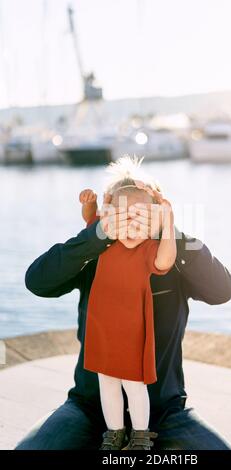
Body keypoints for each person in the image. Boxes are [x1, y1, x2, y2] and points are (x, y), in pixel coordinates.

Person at [15, 155, 231, 450]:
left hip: (165, 412)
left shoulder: (173, 260)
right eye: (122, 213)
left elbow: (223, 291)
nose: (131, 221)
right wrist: (94, 236)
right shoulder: (94, 257)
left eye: (142, 213)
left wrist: (172, 231)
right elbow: (37, 282)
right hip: (89, 407)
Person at [79, 156, 177, 450]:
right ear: (111, 217)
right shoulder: (104, 241)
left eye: (141, 220)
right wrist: (90, 203)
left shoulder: (150, 249)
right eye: (125, 218)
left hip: (132, 328)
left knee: (134, 385)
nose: (132, 227)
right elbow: (90, 218)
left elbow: (166, 260)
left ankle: (140, 435)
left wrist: (169, 222)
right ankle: (114, 432)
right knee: (106, 381)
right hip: (102, 325)